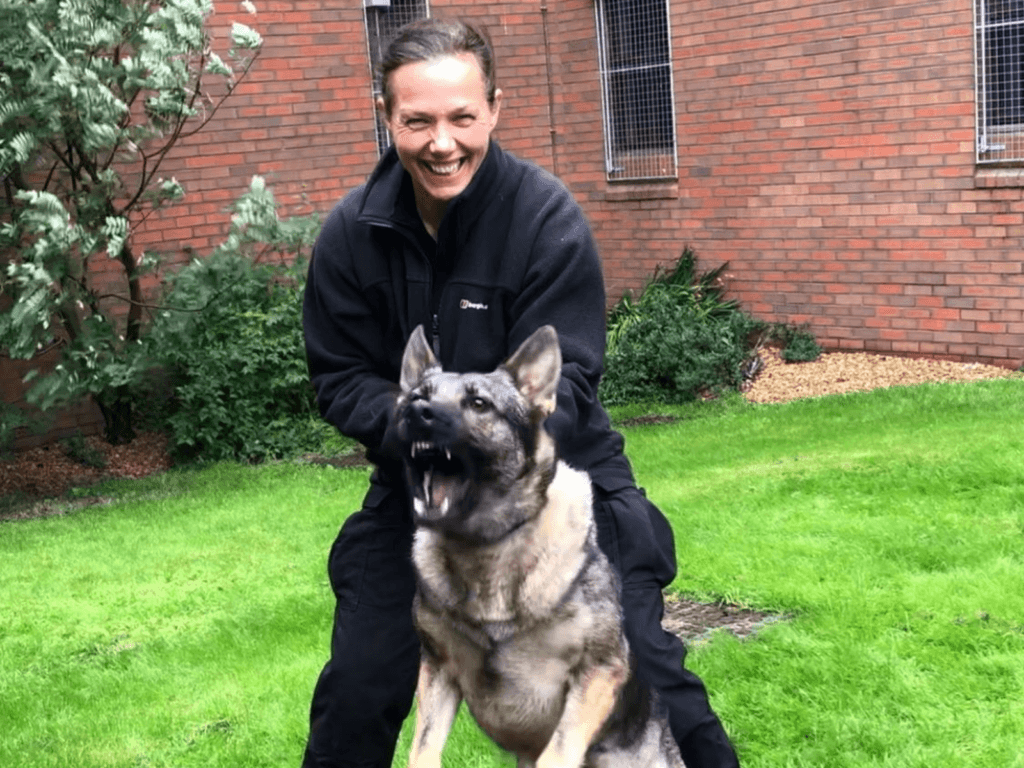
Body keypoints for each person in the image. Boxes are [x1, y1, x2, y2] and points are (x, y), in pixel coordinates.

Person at [301, 17, 740, 768]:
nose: (443, 142)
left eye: (462, 117)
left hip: (559, 486)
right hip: (422, 494)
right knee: (360, 681)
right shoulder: (350, 235)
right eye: (418, 121)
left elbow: (566, 384)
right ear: (388, 117)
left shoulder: (544, 219)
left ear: (494, 109)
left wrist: (480, 437)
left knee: (644, 667)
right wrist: (420, 431)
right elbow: (339, 378)